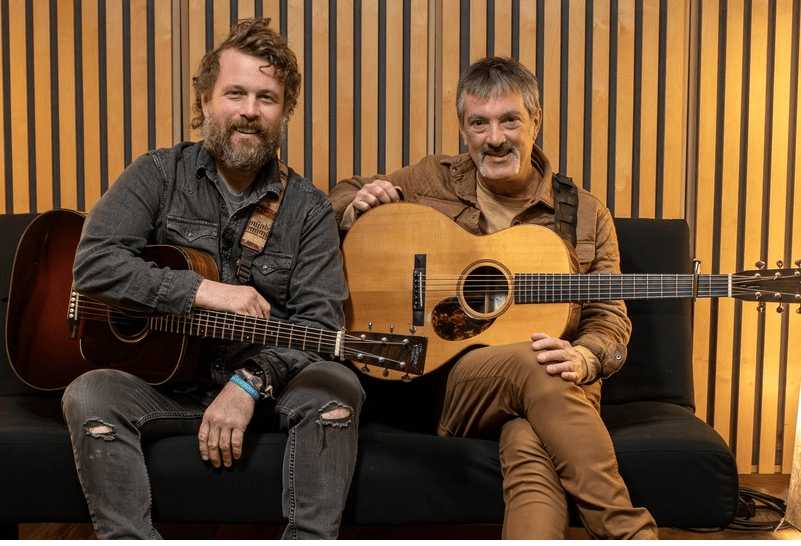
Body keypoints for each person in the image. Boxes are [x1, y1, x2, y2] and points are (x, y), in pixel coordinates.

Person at [328, 56, 658, 540]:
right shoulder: (431, 179)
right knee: (533, 365)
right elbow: (336, 197)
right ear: (464, 128)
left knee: (529, 443)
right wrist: (355, 206)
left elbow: (609, 318)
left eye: (510, 120)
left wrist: (586, 358)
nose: (495, 138)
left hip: (557, 382)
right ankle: (630, 533)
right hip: (453, 382)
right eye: (478, 123)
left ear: (536, 121)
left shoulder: (585, 214)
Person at [62, 18, 364, 540]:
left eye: (267, 98)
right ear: (204, 101)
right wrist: (202, 290)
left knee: (338, 387)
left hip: (267, 390)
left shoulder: (310, 209)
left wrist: (249, 383)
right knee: (88, 394)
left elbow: (320, 321)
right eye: (235, 93)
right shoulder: (155, 174)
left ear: (284, 112)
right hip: (163, 386)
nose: (250, 111)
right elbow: (94, 263)